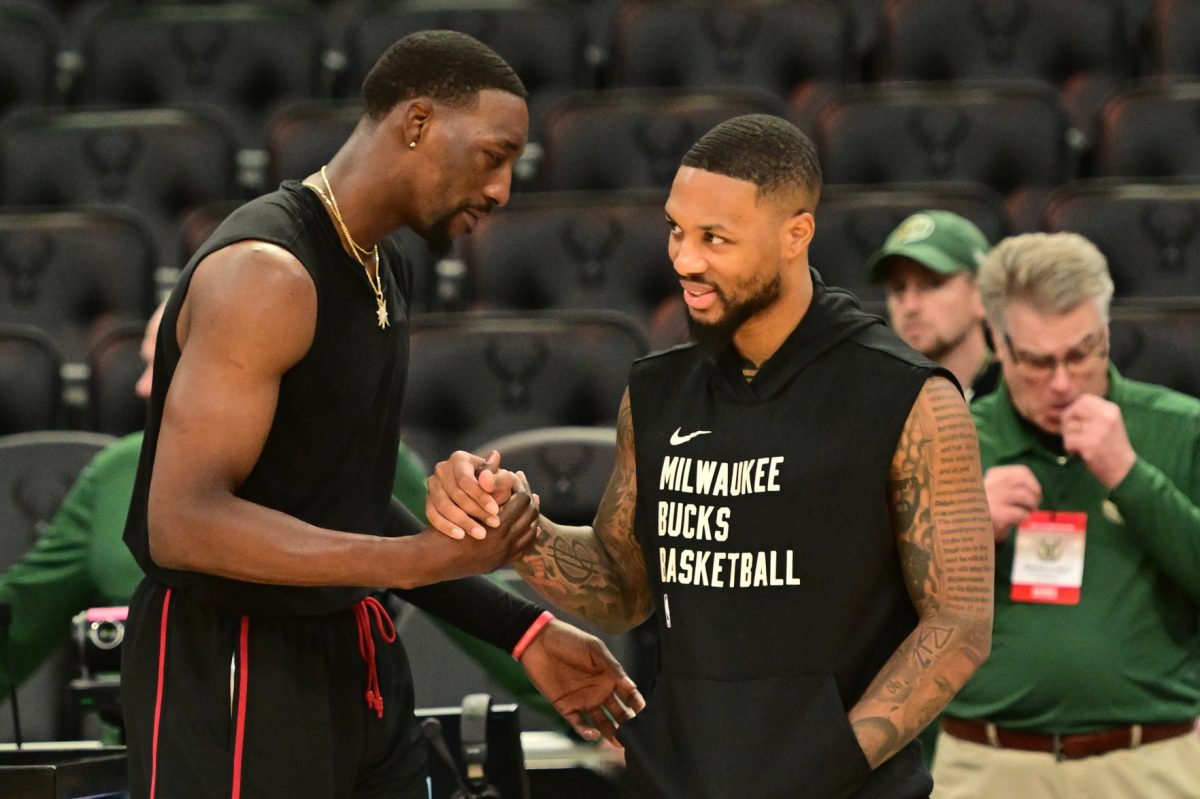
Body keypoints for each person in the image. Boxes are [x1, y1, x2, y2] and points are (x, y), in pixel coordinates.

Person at [119, 31, 642, 798]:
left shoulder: (383, 261)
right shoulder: (267, 274)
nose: (501, 191)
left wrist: (517, 627)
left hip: (350, 653)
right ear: (419, 122)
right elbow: (184, 520)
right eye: (494, 155)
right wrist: (416, 560)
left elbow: (343, 500)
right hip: (232, 660)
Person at [428, 115, 995, 798]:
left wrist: (830, 759)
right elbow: (622, 582)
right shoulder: (659, 390)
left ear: (796, 235)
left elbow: (960, 622)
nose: (684, 259)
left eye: (714, 239)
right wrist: (518, 528)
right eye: (676, 229)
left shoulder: (910, 397)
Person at [0, 305, 563, 739]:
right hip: (141, 765)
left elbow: (460, 588)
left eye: (159, 363)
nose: (142, 386)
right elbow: (22, 615)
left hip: (322, 746)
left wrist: (571, 703)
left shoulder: (362, 457)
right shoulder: (116, 472)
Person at [929, 232, 1200, 798]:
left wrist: (1131, 475)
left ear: (1105, 335)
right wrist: (964, 528)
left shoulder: (1181, 427)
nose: (1061, 382)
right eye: (1036, 361)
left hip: (1146, 761)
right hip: (985, 763)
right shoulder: (946, 441)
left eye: (1080, 353)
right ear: (997, 344)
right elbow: (880, 610)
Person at [866, 210, 1000, 402]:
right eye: (898, 288)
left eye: (933, 283)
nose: (910, 306)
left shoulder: (1025, 398)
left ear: (983, 294)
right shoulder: (875, 400)